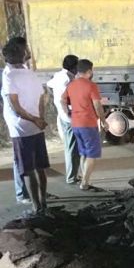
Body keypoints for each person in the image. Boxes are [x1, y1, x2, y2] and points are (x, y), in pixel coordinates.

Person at [2, 40, 49, 215]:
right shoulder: (31, 74)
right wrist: (40, 119)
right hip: (37, 128)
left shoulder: (9, 76)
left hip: (21, 129)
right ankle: (44, 203)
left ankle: (36, 207)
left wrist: (33, 119)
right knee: (41, 168)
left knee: (28, 170)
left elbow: (14, 105)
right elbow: (42, 99)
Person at [62, 59, 106, 191]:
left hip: (75, 123)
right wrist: (103, 120)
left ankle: (83, 178)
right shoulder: (91, 85)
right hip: (88, 123)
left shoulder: (71, 85)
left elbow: (62, 100)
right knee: (92, 154)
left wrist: (67, 113)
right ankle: (85, 183)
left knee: (83, 153)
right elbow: (97, 105)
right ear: (89, 71)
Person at [2, 36, 32, 204]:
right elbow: (14, 103)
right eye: (25, 49)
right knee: (20, 157)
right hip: (19, 121)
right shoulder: (9, 74)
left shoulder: (22, 68)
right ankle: (22, 193)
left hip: (28, 119)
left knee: (30, 157)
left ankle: (33, 190)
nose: (28, 51)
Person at [47, 54, 80, 184]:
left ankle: (74, 175)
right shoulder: (66, 79)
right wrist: (68, 113)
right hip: (68, 117)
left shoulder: (58, 75)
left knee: (72, 146)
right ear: (73, 67)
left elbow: (49, 85)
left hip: (63, 115)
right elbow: (63, 99)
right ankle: (72, 177)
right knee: (72, 148)